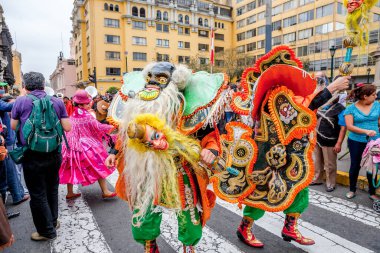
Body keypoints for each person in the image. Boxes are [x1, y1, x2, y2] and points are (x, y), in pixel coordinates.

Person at [11, 72, 72, 241]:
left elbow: (13, 125)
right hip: (54, 153)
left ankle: (46, 231)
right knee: (52, 189)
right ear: (43, 85)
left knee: (37, 194)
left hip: (32, 154)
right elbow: (67, 127)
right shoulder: (57, 101)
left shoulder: (21, 101)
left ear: (25, 86)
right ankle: (53, 221)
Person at [59, 90, 116, 200]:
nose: (89, 103)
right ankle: (105, 191)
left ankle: (70, 192)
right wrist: (114, 128)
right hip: (85, 146)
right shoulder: (86, 115)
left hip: (70, 146)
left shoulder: (74, 112)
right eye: (87, 102)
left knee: (71, 168)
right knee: (99, 164)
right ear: (82, 104)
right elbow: (98, 127)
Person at [344, 83, 380, 200]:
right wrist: (365, 131)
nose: (376, 96)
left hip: (374, 141)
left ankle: (372, 192)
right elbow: (349, 126)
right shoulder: (350, 109)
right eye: (373, 95)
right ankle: (352, 190)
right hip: (356, 141)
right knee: (355, 165)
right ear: (365, 96)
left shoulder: (377, 105)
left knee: (373, 166)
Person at [311, 95, 346, 192]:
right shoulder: (321, 106)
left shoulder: (340, 108)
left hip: (330, 140)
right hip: (317, 139)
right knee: (317, 161)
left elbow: (343, 127)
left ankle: (331, 183)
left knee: (329, 164)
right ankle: (317, 179)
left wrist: (338, 143)